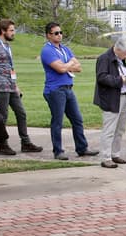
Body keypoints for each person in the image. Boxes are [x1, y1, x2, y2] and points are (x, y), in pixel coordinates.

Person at [40, 22, 96, 161]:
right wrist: (69, 65)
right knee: (58, 121)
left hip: (68, 88)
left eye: (61, 32)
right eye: (56, 33)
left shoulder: (65, 49)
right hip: (55, 90)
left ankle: (82, 148)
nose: (60, 35)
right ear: (48, 35)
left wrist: (67, 65)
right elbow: (60, 69)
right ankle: (58, 151)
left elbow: (79, 67)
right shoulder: (47, 50)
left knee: (77, 119)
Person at [0, 19, 42, 156]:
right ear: (2, 31)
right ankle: (3, 145)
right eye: (11, 30)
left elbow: (11, 67)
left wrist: (16, 85)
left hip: (11, 86)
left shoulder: (7, 46)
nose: (13, 33)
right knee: (3, 116)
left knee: (21, 113)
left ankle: (25, 142)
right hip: (1, 86)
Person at [92, 36, 126, 169]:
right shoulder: (104, 58)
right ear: (118, 49)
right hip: (111, 98)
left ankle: (115, 153)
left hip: (123, 96)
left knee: (120, 128)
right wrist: (119, 80)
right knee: (109, 129)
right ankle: (106, 157)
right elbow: (101, 77)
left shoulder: (120, 59)